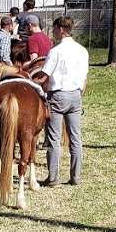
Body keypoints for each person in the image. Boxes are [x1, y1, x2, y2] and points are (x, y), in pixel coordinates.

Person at [38, 16, 88, 188]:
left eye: (54, 28)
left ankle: (53, 177)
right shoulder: (82, 50)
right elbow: (85, 77)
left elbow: (44, 76)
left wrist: (33, 83)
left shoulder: (56, 51)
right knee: (75, 138)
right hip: (76, 95)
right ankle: (76, 176)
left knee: (54, 138)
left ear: (60, 29)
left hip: (58, 95)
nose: (52, 31)